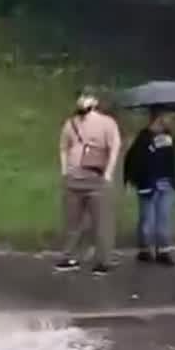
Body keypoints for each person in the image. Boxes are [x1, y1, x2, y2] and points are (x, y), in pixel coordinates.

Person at [56, 92, 122, 275]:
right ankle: (69, 256)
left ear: (94, 102)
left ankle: (103, 259)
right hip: (74, 178)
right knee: (72, 221)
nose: (82, 102)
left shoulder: (107, 123)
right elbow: (63, 147)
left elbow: (114, 147)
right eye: (81, 98)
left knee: (102, 223)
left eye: (87, 98)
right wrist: (65, 170)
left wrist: (108, 173)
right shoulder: (70, 124)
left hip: (96, 178)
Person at [123, 106, 175, 264]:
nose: (170, 121)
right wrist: (130, 180)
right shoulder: (143, 137)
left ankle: (163, 251)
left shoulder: (169, 136)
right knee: (147, 218)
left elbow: (172, 159)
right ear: (158, 118)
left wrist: (174, 180)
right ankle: (145, 249)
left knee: (164, 218)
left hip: (166, 183)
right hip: (148, 183)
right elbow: (133, 160)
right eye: (167, 117)